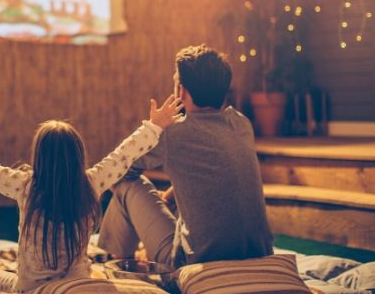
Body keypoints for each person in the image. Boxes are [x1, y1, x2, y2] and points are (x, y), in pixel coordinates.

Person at [0, 95, 183, 294]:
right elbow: (123, 156)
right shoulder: (91, 182)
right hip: (77, 286)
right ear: (78, 155)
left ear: (40, 157)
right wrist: (154, 126)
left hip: (30, 290)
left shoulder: (26, 186)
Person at [98, 45, 274, 268]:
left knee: (126, 185)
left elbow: (119, 171)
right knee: (158, 199)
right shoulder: (241, 123)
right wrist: (169, 197)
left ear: (181, 91)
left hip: (193, 263)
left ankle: (118, 261)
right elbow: (215, 173)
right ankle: (117, 257)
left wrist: (154, 126)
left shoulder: (173, 134)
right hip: (259, 253)